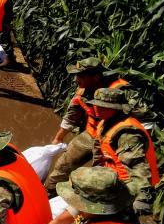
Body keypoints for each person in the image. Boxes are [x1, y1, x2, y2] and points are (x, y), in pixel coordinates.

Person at [43, 57, 130, 196]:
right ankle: (47, 193)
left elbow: (142, 119)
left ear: (96, 77)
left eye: (81, 76)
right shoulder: (82, 92)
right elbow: (70, 118)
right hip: (91, 134)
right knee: (63, 165)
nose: (76, 80)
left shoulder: (121, 90)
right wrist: (57, 139)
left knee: (103, 179)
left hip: (114, 141)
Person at [88, 87, 160, 214]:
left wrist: (141, 197)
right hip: (114, 180)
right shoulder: (104, 123)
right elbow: (99, 155)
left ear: (115, 109)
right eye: (96, 105)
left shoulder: (127, 133)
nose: (97, 108)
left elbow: (137, 166)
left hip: (130, 186)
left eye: (102, 106)